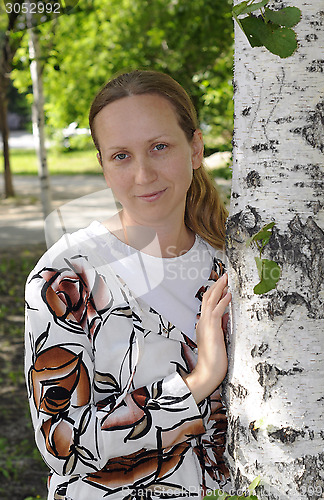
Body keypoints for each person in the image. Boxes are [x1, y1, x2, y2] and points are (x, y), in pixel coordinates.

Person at [25, 69, 232, 500]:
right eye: (121, 155)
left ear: (195, 148)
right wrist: (199, 381)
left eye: (159, 147)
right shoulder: (67, 277)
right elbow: (61, 445)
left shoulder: (233, 262)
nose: (143, 174)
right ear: (102, 165)